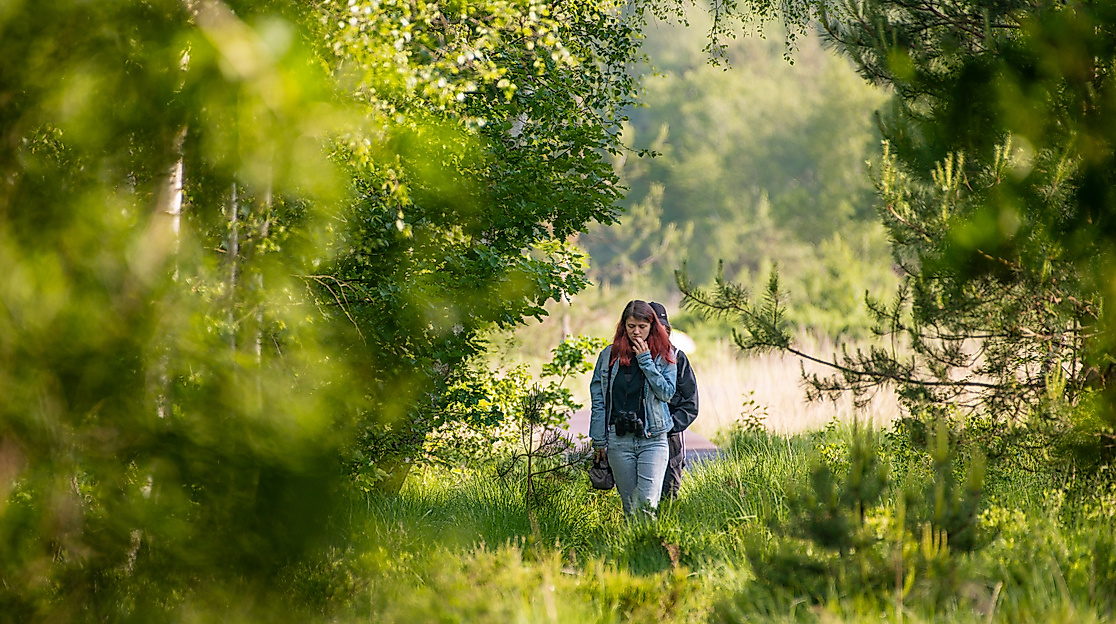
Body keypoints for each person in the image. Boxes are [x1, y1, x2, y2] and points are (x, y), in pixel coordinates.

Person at [589, 300, 677, 515]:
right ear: (623, 326)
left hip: (653, 438)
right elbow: (599, 400)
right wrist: (599, 439)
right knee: (630, 509)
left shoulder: (665, 355)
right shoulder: (608, 356)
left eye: (642, 327)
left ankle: (651, 546)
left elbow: (666, 393)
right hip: (620, 440)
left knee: (646, 506)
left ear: (651, 327)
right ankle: (634, 548)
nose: (636, 332)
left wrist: (645, 360)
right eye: (631, 326)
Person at [649, 301, 699, 500]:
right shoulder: (628, 359)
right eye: (653, 328)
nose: (659, 333)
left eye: (663, 328)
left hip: (670, 438)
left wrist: (668, 426)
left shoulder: (678, 358)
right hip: (636, 439)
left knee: (669, 495)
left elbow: (691, 404)